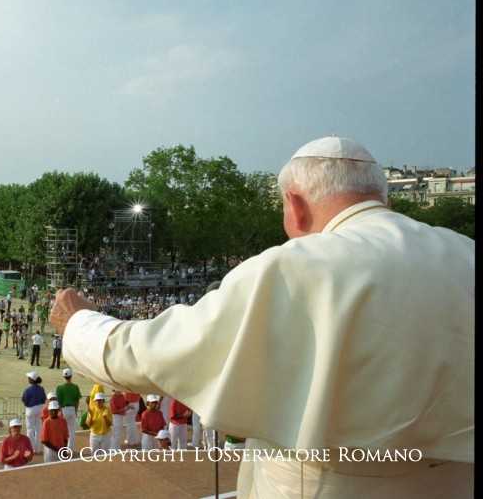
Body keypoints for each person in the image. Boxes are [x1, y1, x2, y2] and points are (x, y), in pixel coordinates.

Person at [51, 136, 475, 498]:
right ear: (385, 198)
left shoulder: (296, 266)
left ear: (295, 204)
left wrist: (80, 324)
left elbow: (155, 355)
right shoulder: (466, 254)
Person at [56, 368, 81, 451]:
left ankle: (62, 448)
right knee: (71, 431)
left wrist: (60, 411)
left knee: (62, 430)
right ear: (71, 376)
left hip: (63, 410)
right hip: (72, 409)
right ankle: (71, 449)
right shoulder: (75, 387)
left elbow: (58, 401)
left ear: (63, 376)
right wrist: (76, 411)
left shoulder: (59, 388)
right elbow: (77, 401)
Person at [21, 371, 46, 454]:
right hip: (39, 409)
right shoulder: (41, 389)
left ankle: (30, 449)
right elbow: (43, 399)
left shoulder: (27, 390)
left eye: (29, 378)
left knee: (30, 430)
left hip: (30, 409)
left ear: (31, 380)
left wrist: (28, 405)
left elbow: (24, 400)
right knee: (38, 429)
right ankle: (37, 449)